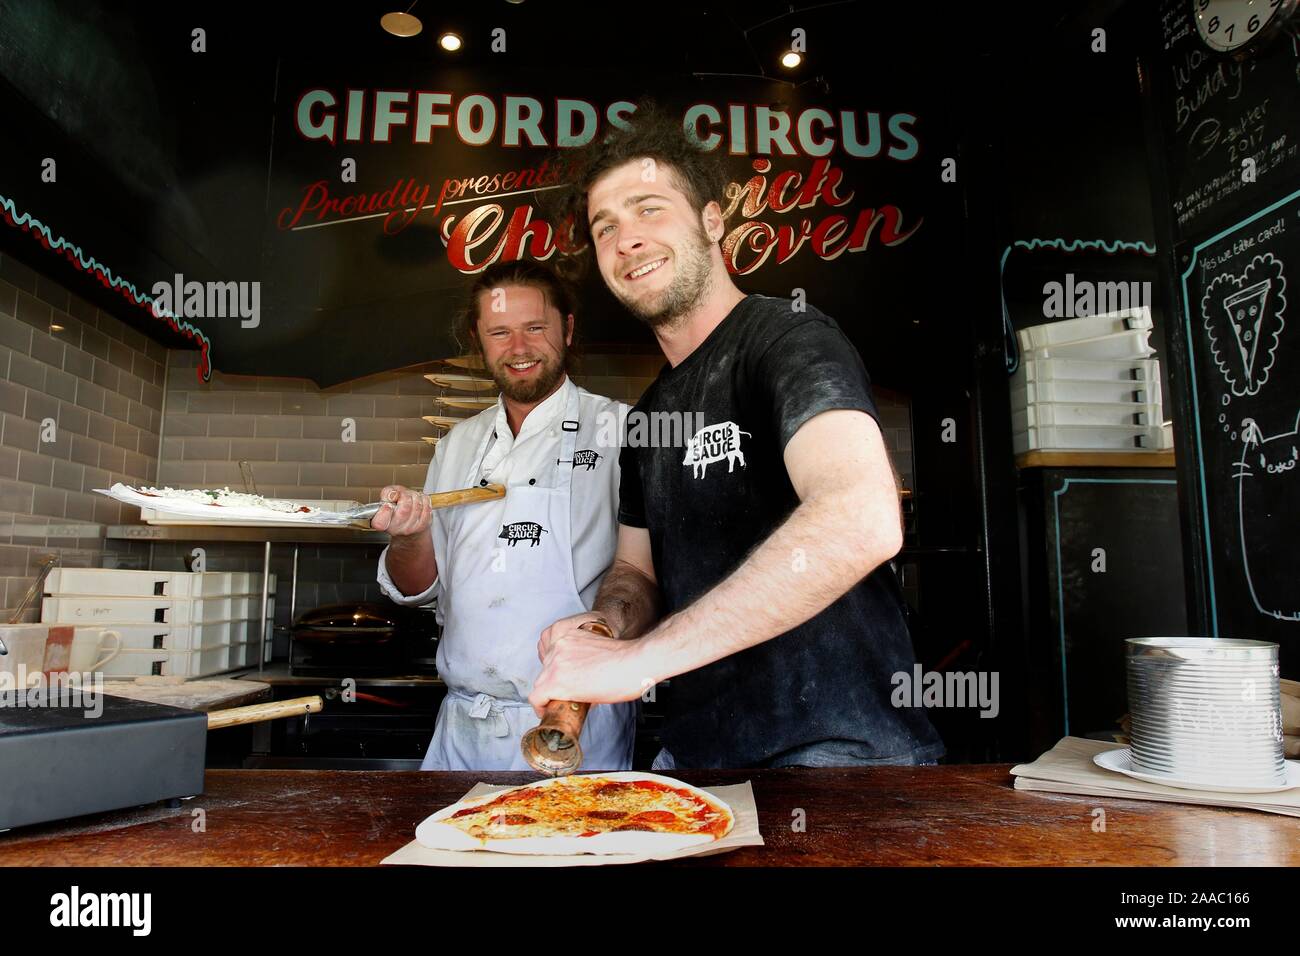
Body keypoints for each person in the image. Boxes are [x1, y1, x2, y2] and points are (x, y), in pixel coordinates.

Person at [530, 105, 944, 768]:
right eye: (605, 226)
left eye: (648, 209)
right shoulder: (650, 416)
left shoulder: (788, 340)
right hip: (703, 770)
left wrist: (638, 661)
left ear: (712, 220)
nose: (625, 238)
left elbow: (861, 518)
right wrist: (608, 624)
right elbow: (637, 571)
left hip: (842, 769)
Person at [374, 259, 634, 771]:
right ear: (479, 339)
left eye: (535, 328)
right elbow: (417, 586)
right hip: (462, 731)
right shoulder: (455, 446)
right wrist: (410, 537)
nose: (518, 349)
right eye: (500, 332)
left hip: (574, 730)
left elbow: (645, 574)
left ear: (568, 328)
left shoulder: (622, 431)